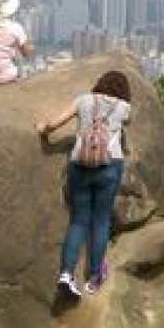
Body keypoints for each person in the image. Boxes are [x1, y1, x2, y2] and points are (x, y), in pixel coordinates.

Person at [36, 70, 131, 302]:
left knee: (78, 221)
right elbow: (125, 126)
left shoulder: (83, 100)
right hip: (110, 166)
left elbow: (54, 124)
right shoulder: (124, 107)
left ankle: (66, 274)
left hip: (80, 165)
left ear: (99, 84)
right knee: (101, 221)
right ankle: (95, 277)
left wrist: (43, 127)